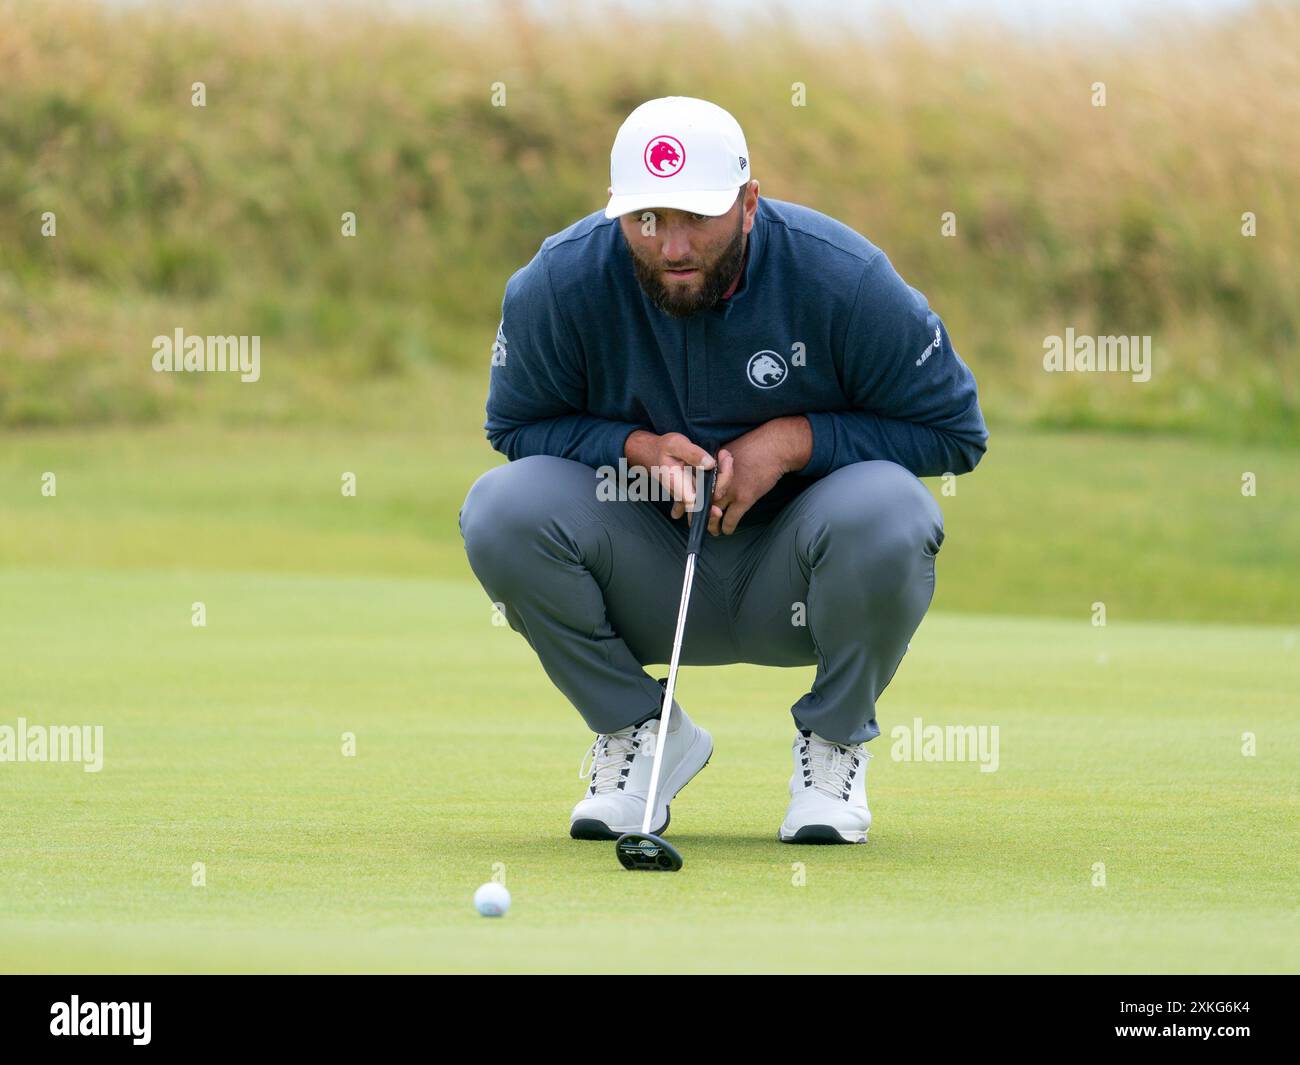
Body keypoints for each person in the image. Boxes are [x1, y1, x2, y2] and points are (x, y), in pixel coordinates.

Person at [459, 96, 988, 844]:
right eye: (648, 219)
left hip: (798, 576)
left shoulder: (843, 277)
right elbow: (515, 426)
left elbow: (955, 433)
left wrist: (795, 441)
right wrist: (632, 448)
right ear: (616, 208)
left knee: (891, 508)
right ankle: (639, 731)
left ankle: (833, 745)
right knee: (500, 508)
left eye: (698, 217)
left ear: (749, 203)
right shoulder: (558, 283)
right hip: (645, 570)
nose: (672, 246)